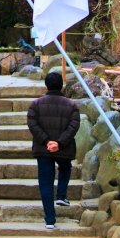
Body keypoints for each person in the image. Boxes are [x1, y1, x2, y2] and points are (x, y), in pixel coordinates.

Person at [26, 71, 80, 229]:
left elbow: (32, 124)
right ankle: (62, 194)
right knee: (65, 167)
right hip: (64, 148)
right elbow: (74, 126)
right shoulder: (71, 105)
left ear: (46, 85)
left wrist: (46, 141)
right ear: (61, 85)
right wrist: (59, 143)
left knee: (45, 182)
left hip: (43, 149)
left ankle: (50, 220)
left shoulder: (35, 105)